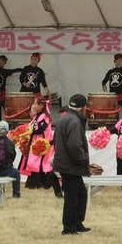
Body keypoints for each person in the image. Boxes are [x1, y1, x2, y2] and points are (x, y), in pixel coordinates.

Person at [53, 94, 91, 235]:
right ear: (83, 108)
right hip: (71, 166)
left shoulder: (64, 119)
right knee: (72, 197)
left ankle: (77, 224)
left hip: (65, 163)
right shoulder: (75, 122)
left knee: (80, 194)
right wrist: (83, 159)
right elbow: (75, 146)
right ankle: (69, 228)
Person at [19, 97, 62, 197]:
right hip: (36, 144)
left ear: (41, 106)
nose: (33, 106)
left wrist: (28, 131)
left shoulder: (44, 116)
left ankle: (39, 183)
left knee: (39, 165)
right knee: (37, 165)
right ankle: (41, 183)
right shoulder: (37, 116)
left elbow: (41, 129)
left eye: (35, 104)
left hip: (43, 144)